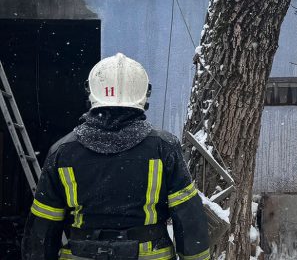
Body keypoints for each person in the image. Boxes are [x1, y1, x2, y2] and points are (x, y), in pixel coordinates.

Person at [22, 53, 209, 260]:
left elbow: (43, 229)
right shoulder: (164, 147)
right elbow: (189, 220)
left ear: (91, 92)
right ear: (144, 95)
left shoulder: (62, 151)